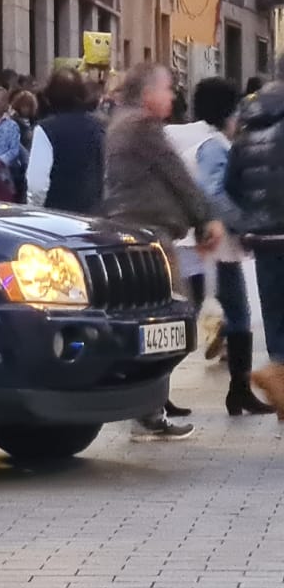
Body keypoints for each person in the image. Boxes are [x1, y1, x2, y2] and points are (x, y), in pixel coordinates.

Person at [103, 63, 222, 440]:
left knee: (158, 320)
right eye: (167, 89)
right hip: (149, 235)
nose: (172, 96)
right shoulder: (142, 126)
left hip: (135, 230)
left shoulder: (121, 123)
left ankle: (146, 407)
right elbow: (178, 177)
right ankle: (144, 407)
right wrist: (206, 219)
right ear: (148, 93)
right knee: (173, 319)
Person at [166, 77, 268, 416]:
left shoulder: (189, 137)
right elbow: (213, 192)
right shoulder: (213, 145)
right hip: (212, 244)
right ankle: (238, 391)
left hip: (197, 242)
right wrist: (243, 222)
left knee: (205, 315)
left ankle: (238, 391)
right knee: (226, 313)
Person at [227, 73, 284, 415]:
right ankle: (277, 376)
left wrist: (250, 218)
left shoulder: (250, 120)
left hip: (263, 236)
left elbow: (231, 183)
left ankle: (279, 378)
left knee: (275, 313)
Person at [27, 69, 106, 214]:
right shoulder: (98, 126)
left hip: (56, 215)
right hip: (91, 213)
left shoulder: (45, 129)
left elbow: (37, 185)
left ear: (49, 96)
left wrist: (35, 211)